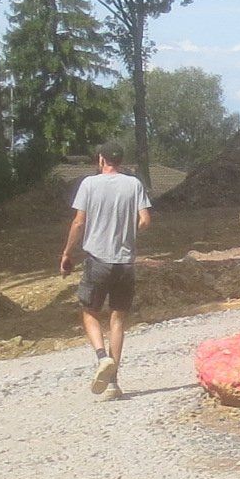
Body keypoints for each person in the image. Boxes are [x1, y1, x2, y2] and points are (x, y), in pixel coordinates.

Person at [59, 141, 151, 396]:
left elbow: (78, 222)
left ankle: (102, 358)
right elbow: (145, 220)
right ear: (120, 160)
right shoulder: (134, 184)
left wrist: (67, 253)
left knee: (89, 312)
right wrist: (128, 232)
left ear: (101, 159)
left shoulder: (89, 184)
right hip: (125, 262)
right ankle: (113, 383)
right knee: (118, 318)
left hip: (98, 260)